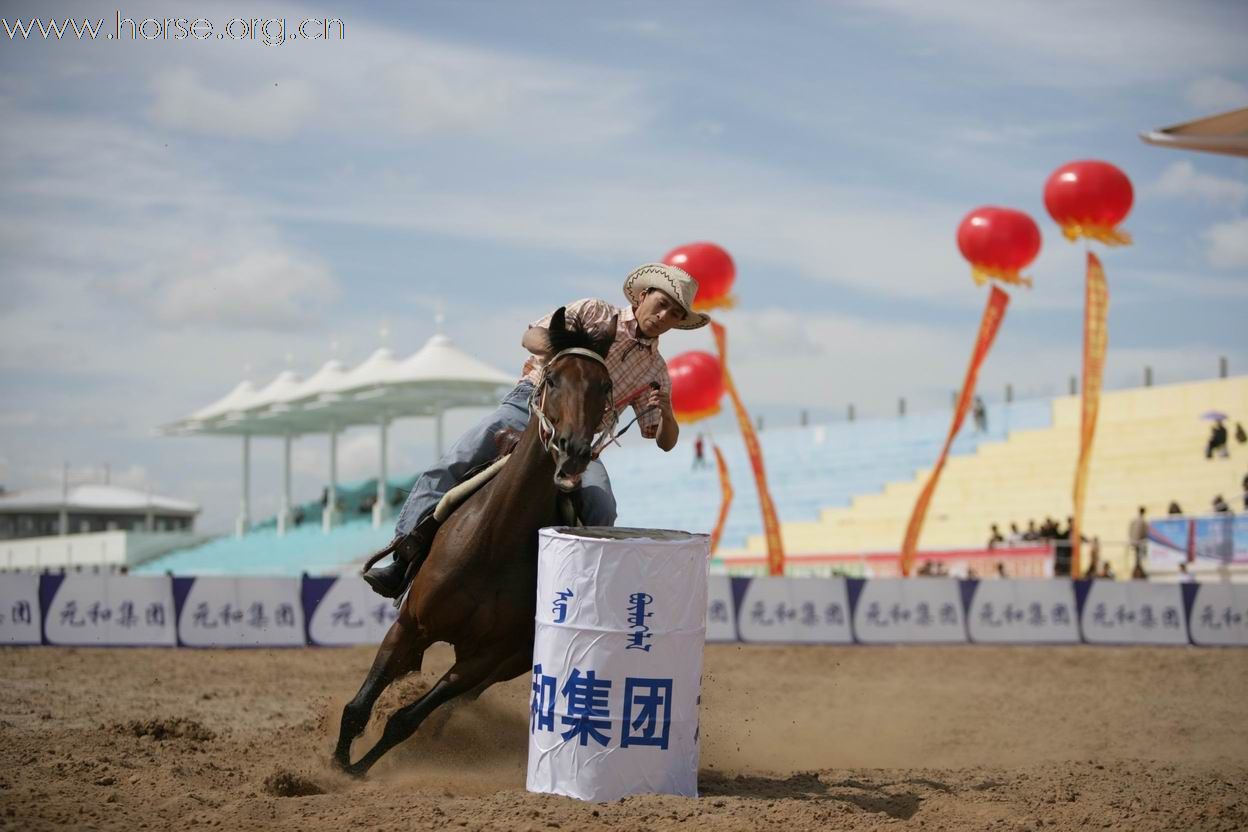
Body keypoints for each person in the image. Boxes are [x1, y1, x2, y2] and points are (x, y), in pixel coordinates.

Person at [363, 263, 710, 598]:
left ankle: (580, 595)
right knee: (456, 461)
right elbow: (530, 335)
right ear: (643, 295)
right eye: (662, 305)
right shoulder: (594, 311)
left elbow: (664, 441)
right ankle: (401, 559)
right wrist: (566, 352)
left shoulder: (655, 371)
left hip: (579, 443)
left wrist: (666, 412)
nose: (664, 317)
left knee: (602, 507)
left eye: (675, 314)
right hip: (527, 408)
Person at [1128, 506, 1148, 576]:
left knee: (1138, 558)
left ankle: (1138, 572)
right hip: (1139, 542)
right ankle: (1138, 573)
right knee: (1138, 558)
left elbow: (1130, 530)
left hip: (1135, 542)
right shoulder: (1142, 521)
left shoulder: (1134, 520)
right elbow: (1144, 532)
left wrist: (1131, 539)